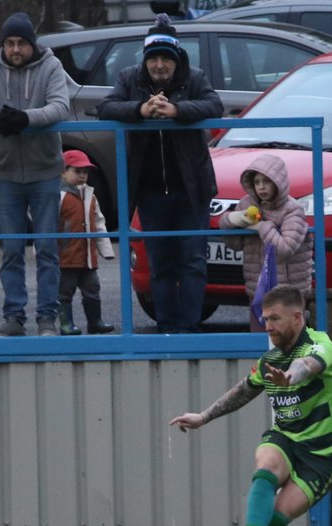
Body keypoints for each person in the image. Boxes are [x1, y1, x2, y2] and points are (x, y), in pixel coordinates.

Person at [168, 286, 332, 526]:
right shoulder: (270, 360)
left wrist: (291, 378)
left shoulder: (322, 345)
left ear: (297, 316)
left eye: (275, 319)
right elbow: (244, 390)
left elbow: (309, 366)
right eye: (265, 319)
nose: (268, 326)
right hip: (286, 439)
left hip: (323, 454)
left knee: (279, 516)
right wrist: (204, 416)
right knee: (266, 463)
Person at [97, 13, 222, 334]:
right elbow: (106, 107)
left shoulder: (194, 77)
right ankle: (167, 327)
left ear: (177, 58)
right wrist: (140, 110)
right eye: (154, 59)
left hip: (190, 188)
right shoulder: (129, 78)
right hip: (150, 190)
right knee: (161, 263)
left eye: (166, 58)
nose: (160, 65)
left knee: (192, 262)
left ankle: (189, 328)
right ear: (146, 59)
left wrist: (177, 111)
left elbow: (214, 105)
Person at [0, 11, 71, 337]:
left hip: (45, 169)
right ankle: (14, 316)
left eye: (21, 43)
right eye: (9, 43)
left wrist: (26, 119)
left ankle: (47, 317)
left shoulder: (51, 66)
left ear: (31, 44)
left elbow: (60, 106)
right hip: (4, 171)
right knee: (11, 248)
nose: (14, 50)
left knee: (47, 247)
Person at [219, 153, 313, 332]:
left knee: (287, 342)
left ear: (278, 182)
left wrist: (261, 227)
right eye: (256, 182)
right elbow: (234, 244)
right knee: (259, 341)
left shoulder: (293, 210)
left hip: (288, 293)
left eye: (266, 181)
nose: (261, 187)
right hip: (258, 290)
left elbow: (284, 249)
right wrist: (233, 219)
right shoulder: (247, 204)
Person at [58, 149, 115, 335]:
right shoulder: (58, 197)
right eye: (77, 171)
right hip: (65, 256)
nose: (82, 176)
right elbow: (45, 222)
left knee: (92, 289)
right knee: (65, 292)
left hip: (88, 257)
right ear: (63, 172)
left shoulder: (91, 197)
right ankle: (66, 324)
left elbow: (99, 222)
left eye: (85, 172)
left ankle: (95, 321)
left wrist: (105, 249)